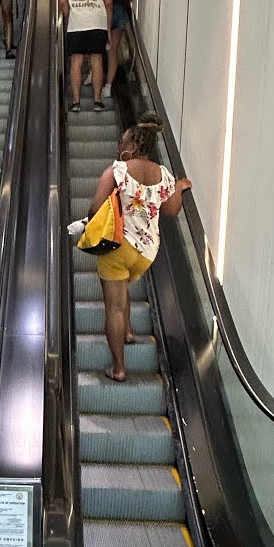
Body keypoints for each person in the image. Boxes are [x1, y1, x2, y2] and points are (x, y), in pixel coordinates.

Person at [84, 114, 191, 381]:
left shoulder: (117, 171)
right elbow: (171, 209)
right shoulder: (163, 175)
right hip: (145, 252)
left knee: (114, 307)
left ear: (131, 146)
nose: (119, 144)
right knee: (123, 288)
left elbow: (94, 209)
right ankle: (129, 331)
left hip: (117, 247)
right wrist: (179, 187)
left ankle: (118, 368)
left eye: (122, 141)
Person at [57, 0, 117, 112]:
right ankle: (97, 101)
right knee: (96, 60)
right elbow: (109, 3)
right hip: (97, 22)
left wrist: (69, 15)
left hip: (77, 23)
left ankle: (76, 103)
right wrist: (108, 30)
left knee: (76, 61)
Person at [105, 0, 135, 98]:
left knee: (99, 48)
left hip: (110, 13)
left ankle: (94, 76)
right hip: (122, 14)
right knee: (113, 51)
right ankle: (108, 86)